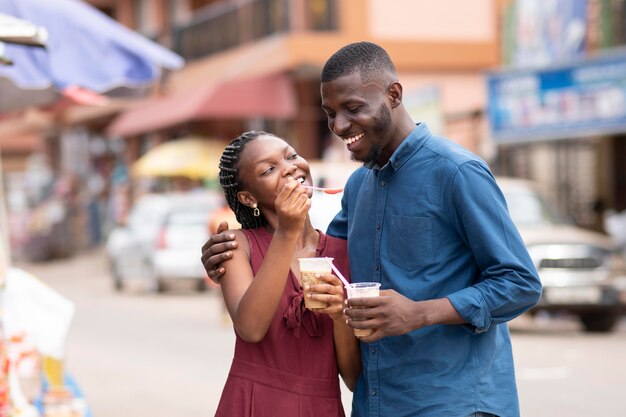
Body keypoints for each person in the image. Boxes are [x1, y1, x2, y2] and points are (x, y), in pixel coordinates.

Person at [202, 42, 542, 417]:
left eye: (353, 108)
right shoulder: (358, 187)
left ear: (393, 94)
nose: (340, 126)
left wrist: (419, 313)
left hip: (452, 403)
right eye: (330, 113)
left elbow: (520, 283)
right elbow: (311, 255)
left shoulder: (456, 172)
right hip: (377, 404)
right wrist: (226, 251)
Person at [211, 131, 360, 417]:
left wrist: (339, 314)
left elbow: (353, 378)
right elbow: (251, 328)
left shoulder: (345, 252)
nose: (290, 167)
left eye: (291, 156)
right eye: (269, 169)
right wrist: (287, 231)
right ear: (247, 196)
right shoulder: (237, 246)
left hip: (322, 407)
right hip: (254, 404)